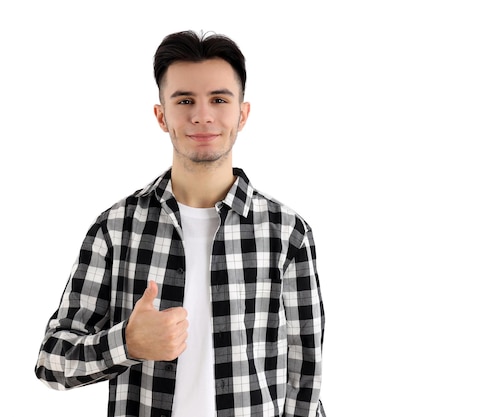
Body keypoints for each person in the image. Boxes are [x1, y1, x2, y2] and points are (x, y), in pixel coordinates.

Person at [35, 30, 326, 417]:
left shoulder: (287, 233)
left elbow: (305, 375)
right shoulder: (116, 228)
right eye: (184, 99)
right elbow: (52, 362)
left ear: (242, 113)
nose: (202, 115)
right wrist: (127, 342)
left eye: (219, 99)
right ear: (161, 115)